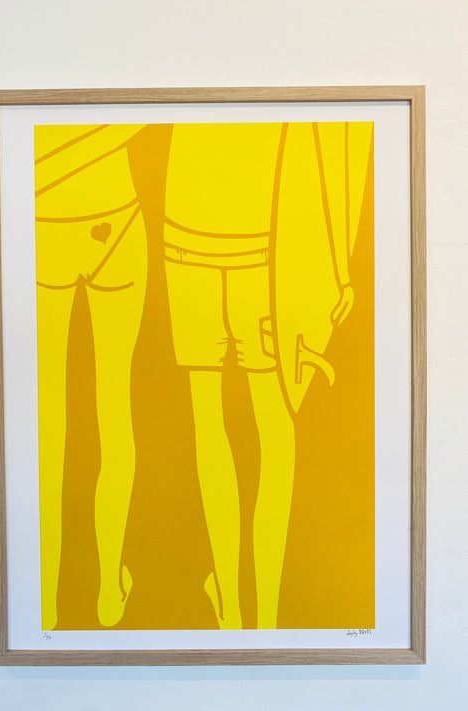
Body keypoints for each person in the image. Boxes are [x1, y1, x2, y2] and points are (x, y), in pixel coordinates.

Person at [162, 120, 372, 628]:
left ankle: (231, 608)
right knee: (275, 429)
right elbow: (337, 145)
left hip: (185, 232)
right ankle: (267, 613)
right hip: (264, 246)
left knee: (211, 422)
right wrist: (338, 268)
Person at [34, 123, 147, 629]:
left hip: (43, 218)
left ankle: (46, 597)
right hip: (115, 212)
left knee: (46, 417)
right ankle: (108, 592)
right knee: (114, 407)